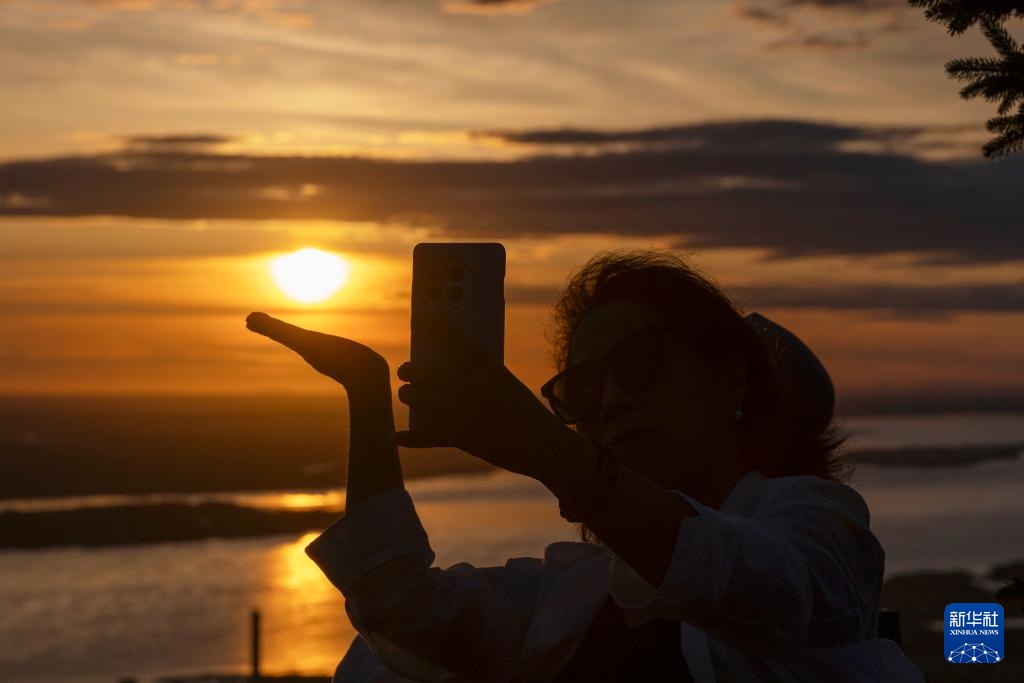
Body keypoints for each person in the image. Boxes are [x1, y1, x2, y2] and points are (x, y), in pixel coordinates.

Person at [245, 249, 925, 682]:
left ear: (728, 381)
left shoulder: (820, 526)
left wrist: (547, 449)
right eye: (583, 388)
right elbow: (403, 611)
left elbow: (762, 588)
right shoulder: (584, 593)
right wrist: (367, 396)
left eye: (641, 364)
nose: (612, 401)